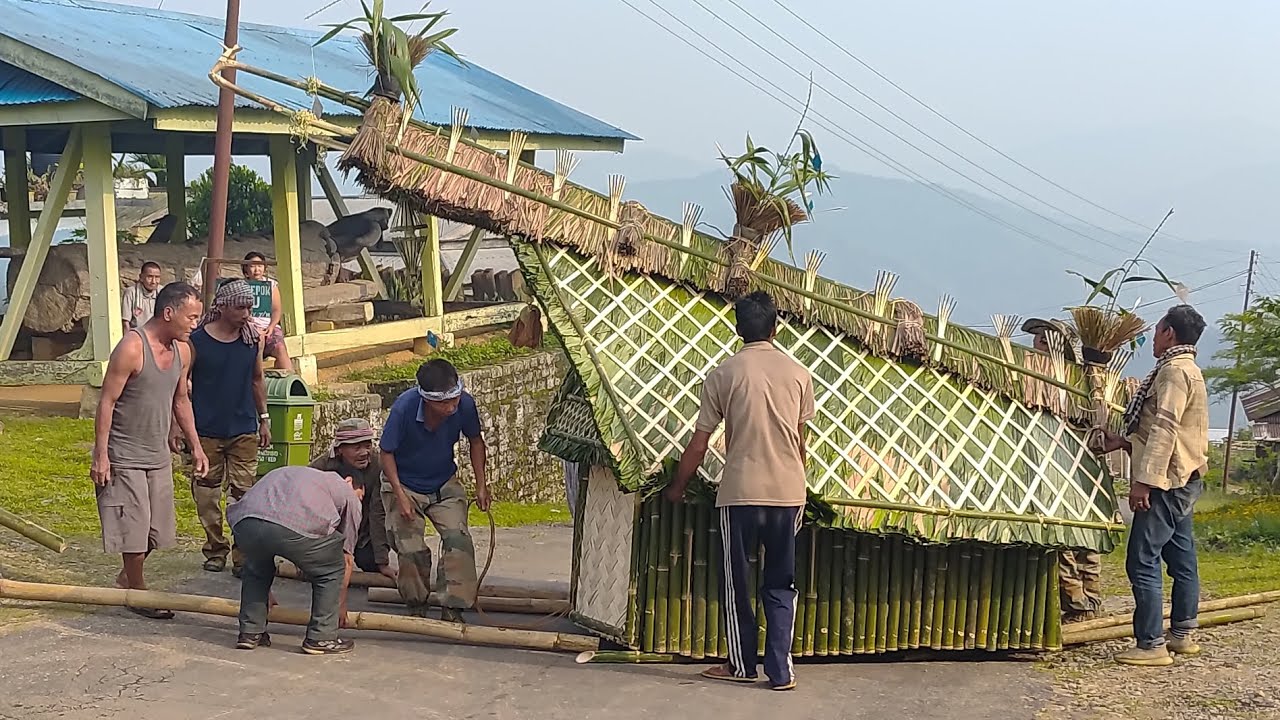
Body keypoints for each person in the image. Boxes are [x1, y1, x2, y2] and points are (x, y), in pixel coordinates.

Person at [664, 291, 814, 691]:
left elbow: (699, 444)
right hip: (787, 492)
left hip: (740, 494)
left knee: (736, 582)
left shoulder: (722, 375)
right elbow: (800, 441)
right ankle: (781, 672)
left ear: (737, 329)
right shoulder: (799, 374)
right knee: (782, 581)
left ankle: (741, 665)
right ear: (775, 328)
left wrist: (677, 486)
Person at [1098, 305, 1209, 667]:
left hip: (1166, 482)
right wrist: (1125, 441)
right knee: (1180, 556)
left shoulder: (1174, 373)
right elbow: (1162, 432)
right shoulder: (1187, 369)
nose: (1155, 336)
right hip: (1185, 476)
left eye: (1158, 328)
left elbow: (1165, 430)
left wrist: (1143, 483)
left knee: (1142, 560)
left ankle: (1150, 644)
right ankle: (1182, 634)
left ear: (1168, 334)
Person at [91, 282, 209, 619]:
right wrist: (101, 454)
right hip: (124, 453)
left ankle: (127, 579)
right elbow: (107, 401)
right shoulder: (132, 347)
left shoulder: (183, 351)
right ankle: (138, 593)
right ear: (168, 312)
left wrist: (196, 446)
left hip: (157, 454)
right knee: (134, 529)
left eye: (198, 317)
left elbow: (181, 399)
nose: (194, 324)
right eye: (191, 316)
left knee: (158, 532)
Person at [379, 358, 491, 622]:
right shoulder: (404, 409)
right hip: (403, 482)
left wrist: (481, 484)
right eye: (443, 403)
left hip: (443, 481)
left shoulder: (464, 404)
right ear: (426, 398)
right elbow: (386, 452)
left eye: (454, 399)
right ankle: (416, 603)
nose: (451, 407)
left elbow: (476, 441)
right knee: (410, 547)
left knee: (458, 540)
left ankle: (453, 605)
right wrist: (400, 496)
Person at [185, 279, 271, 574]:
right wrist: (178, 426)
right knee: (206, 493)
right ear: (221, 308)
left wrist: (264, 419)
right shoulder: (197, 341)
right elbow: (181, 384)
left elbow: (257, 379)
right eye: (240, 308)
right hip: (206, 429)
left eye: (249, 307)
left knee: (244, 493)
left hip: (243, 427)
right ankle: (215, 548)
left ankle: (242, 552)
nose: (246, 313)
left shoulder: (252, 339)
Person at [228, 465, 362, 655]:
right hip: (292, 527)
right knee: (331, 569)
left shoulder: (293, 473)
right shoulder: (346, 490)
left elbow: (260, 514)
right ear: (349, 481)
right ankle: (322, 636)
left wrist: (262, 591)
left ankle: (250, 632)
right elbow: (346, 558)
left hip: (245, 523)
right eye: (360, 495)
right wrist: (339, 605)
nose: (359, 500)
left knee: (256, 566)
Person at [1023, 317, 1103, 623]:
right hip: (1057, 466)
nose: (1036, 344)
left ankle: (1083, 605)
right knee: (1071, 538)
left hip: (1072, 468)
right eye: (1038, 339)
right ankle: (1080, 604)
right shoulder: (1036, 375)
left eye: (1043, 340)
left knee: (1077, 539)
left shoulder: (1080, 381)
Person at [310, 418, 393, 579]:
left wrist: (382, 561)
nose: (364, 453)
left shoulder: (379, 466)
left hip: (363, 531)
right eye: (356, 448)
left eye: (367, 446)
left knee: (370, 561)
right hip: (329, 529)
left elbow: (378, 513)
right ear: (340, 449)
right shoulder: (321, 467)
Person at [241, 251, 293, 372]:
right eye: (253, 266)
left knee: (280, 348)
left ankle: (291, 383)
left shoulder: (271, 285)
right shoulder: (240, 286)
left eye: (260, 265)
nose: (256, 269)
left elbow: (276, 310)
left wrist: (271, 326)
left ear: (264, 268)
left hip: (268, 327)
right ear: (246, 268)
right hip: (246, 328)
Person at [121, 262, 162, 333]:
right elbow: (126, 323)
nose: (154, 281)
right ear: (141, 277)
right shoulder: (131, 292)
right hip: (138, 335)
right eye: (150, 277)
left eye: (157, 277)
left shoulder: (162, 291)